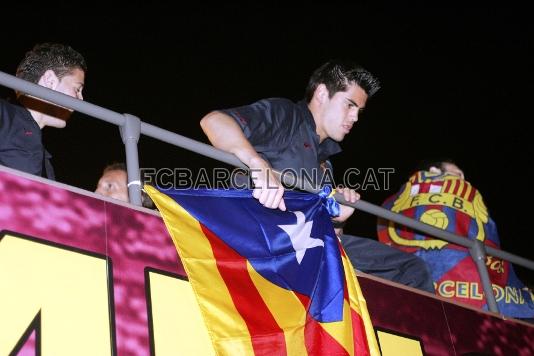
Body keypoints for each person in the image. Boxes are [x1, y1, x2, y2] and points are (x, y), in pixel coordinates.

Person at [200, 59, 434, 293]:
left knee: (412, 269)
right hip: (260, 234)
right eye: (349, 105)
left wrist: (338, 218)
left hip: (305, 246)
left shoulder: (325, 164)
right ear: (322, 93)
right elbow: (214, 121)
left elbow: (332, 235)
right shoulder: (287, 117)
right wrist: (258, 164)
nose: (355, 118)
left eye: (359, 111)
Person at [377, 159, 534, 318]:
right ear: (434, 170)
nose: (463, 180)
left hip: (459, 286)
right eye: (458, 173)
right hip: (429, 281)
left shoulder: (468, 198)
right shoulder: (407, 195)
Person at [0, 42, 86, 180]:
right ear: (50, 81)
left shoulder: (45, 160)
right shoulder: (4, 115)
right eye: (77, 89)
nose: (80, 99)